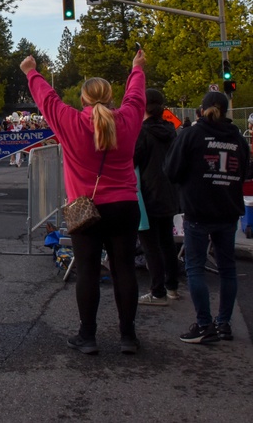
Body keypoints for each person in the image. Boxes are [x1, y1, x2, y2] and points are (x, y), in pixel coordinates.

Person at [22, 49, 146, 355]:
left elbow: (48, 101)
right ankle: (128, 336)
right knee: (124, 270)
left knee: (88, 271)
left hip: (86, 207)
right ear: (111, 97)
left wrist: (31, 72)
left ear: (83, 100)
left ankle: (87, 336)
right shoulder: (128, 120)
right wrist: (137, 69)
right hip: (125, 205)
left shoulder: (71, 123)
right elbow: (136, 98)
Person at [165, 91, 250, 344]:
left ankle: (204, 324)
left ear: (200, 111)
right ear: (225, 112)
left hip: (197, 210)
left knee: (195, 268)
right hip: (228, 209)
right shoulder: (238, 139)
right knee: (228, 269)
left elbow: (171, 169)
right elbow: (245, 170)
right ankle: (224, 323)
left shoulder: (191, 135)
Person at [133, 88, 180, 306]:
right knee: (167, 243)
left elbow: (133, 160)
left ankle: (157, 291)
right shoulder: (171, 129)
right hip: (169, 192)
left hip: (148, 193)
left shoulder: (142, 132)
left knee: (150, 245)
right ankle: (172, 287)